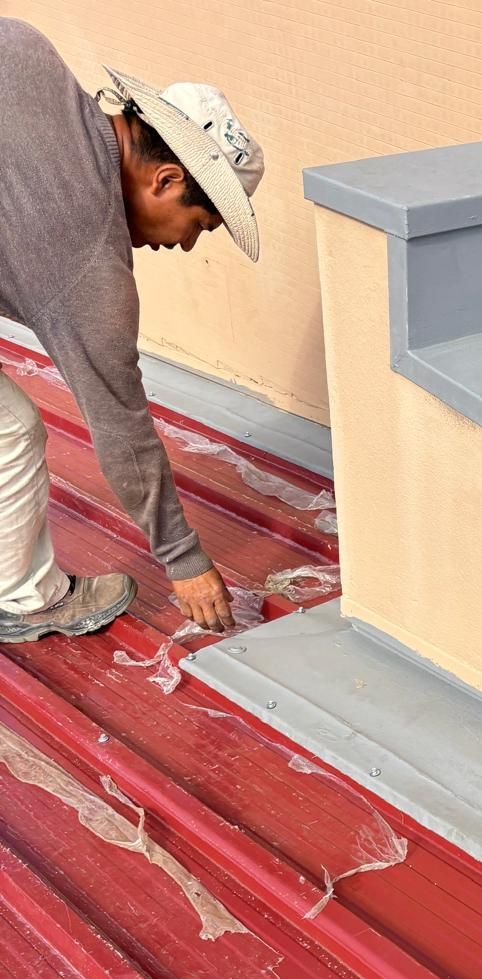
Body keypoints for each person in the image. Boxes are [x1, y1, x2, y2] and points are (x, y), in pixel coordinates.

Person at [0, 19, 265, 641]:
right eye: (198, 223)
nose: (185, 244)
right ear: (166, 179)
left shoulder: (23, 47)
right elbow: (122, 428)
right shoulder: (88, 263)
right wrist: (184, 559)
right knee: (9, 431)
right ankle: (26, 601)